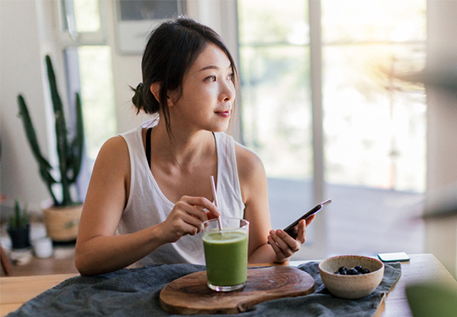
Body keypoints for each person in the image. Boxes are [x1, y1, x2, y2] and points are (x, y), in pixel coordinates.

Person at [75, 17, 313, 276]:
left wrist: (278, 253)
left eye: (229, 76)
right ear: (165, 93)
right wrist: (161, 232)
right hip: (143, 306)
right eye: (211, 78)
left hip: (221, 304)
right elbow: (87, 256)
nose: (229, 92)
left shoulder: (247, 166)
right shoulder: (121, 155)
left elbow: (253, 258)